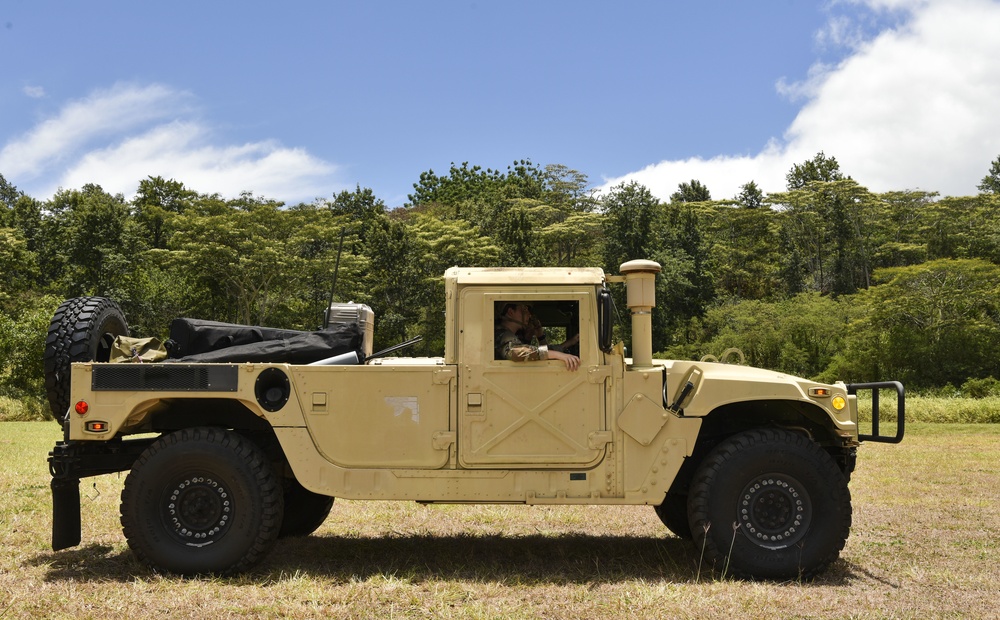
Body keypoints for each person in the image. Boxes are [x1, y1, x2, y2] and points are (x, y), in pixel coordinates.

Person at [494, 303, 580, 370]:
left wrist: (571, 342)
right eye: (524, 309)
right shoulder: (502, 334)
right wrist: (558, 355)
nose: (529, 315)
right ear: (511, 312)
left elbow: (536, 349)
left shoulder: (514, 335)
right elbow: (517, 352)